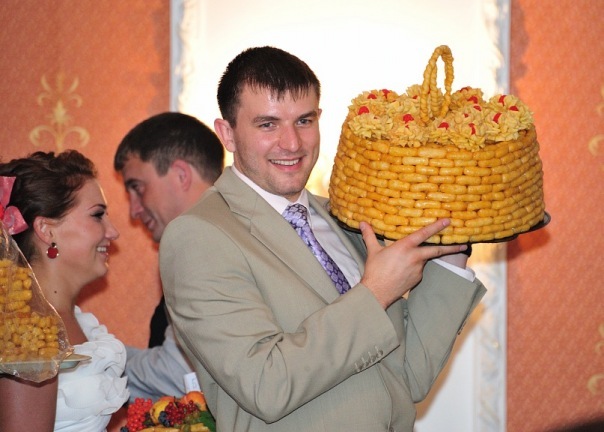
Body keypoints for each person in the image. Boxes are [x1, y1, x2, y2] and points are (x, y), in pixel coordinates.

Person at [159, 46, 487, 432]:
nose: (292, 143)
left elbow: (407, 376)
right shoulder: (199, 235)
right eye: (267, 124)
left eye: (304, 120)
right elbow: (265, 385)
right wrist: (375, 293)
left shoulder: (347, 216)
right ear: (227, 133)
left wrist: (452, 249)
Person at [0, 150, 128, 432]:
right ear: (47, 230)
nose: (113, 232)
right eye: (98, 215)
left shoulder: (77, 321)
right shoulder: (25, 334)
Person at [113, 111, 224, 401]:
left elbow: (179, 373)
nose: (134, 211)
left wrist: (89, 361)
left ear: (181, 175)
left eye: (138, 188)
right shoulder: (222, 234)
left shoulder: (206, 244)